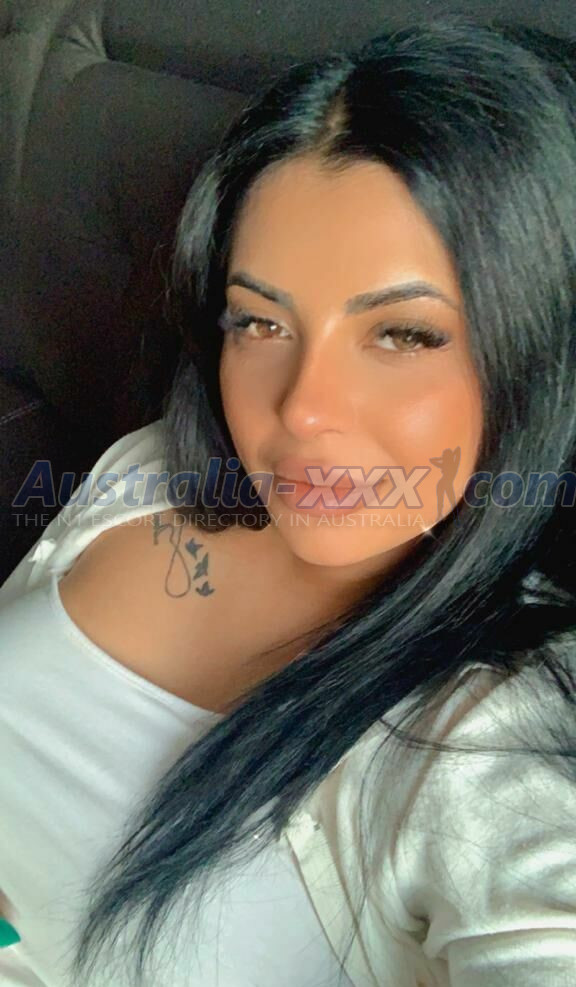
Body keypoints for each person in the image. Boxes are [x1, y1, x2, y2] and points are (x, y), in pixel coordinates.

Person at [1, 13, 576, 987]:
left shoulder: (505, 734)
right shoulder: (151, 470)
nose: (302, 409)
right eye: (260, 322)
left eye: (403, 334)